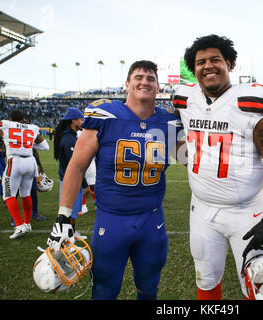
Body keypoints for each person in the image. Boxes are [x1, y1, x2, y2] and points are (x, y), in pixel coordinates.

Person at [47, 60, 183, 300]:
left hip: (152, 220)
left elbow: (192, 160)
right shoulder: (106, 116)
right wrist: (63, 215)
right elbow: (77, 166)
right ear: (127, 85)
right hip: (112, 220)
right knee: (104, 290)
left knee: (149, 288)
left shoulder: (169, 123)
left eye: (151, 78)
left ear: (159, 87)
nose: (145, 82)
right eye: (138, 77)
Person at [173, 34, 263, 300]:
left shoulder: (250, 102)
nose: (208, 66)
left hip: (247, 213)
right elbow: (173, 129)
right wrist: (184, 154)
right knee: (206, 281)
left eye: (215, 59)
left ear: (229, 63)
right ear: (194, 70)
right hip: (201, 211)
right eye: (201, 62)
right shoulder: (186, 99)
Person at [0, 110, 50, 239]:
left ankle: (19, 226)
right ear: (23, 118)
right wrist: (26, 143)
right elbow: (45, 147)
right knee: (26, 194)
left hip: (15, 161)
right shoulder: (33, 127)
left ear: (11, 118)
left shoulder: (6, 124)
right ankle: (28, 223)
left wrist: (6, 140)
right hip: (30, 162)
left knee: (8, 195)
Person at [53, 107, 87, 238]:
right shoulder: (68, 139)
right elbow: (74, 165)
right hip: (70, 179)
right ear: (74, 120)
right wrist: (84, 184)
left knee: (73, 209)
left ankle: (71, 232)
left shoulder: (70, 136)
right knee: (69, 209)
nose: (83, 122)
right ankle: (68, 234)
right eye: (81, 119)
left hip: (69, 178)